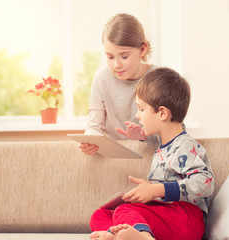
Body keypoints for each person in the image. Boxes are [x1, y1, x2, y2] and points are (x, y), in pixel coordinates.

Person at [89, 67, 214, 240]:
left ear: (162, 113)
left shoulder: (186, 146)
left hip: (188, 220)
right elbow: (166, 137)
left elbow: (205, 183)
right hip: (167, 217)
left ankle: (143, 236)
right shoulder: (165, 142)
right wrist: (142, 136)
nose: (137, 115)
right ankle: (115, 234)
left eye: (141, 109)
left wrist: (157, 189)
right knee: (100, 214)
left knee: (125, 210)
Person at [80, 13, 160, 155]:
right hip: (112, 157)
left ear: (142, 49)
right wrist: (89, 139)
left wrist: (144, 136)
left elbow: (175, 132)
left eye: (124, 56)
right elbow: (94, 126)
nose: (116, 65)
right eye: (110, 57)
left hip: (150, 156)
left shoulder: (160, 78)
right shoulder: (101, 79)